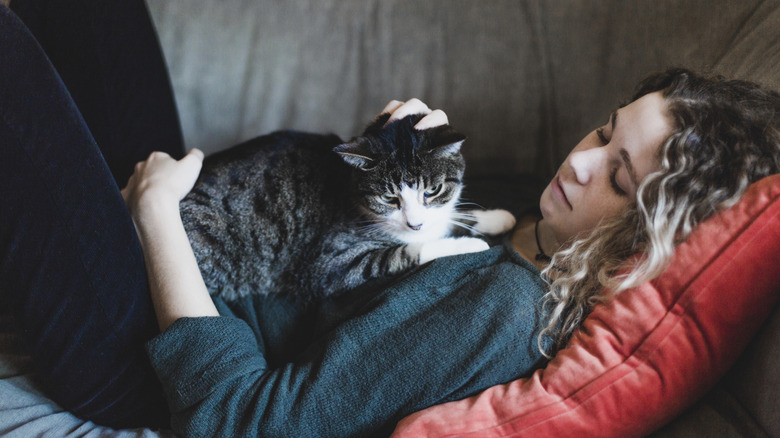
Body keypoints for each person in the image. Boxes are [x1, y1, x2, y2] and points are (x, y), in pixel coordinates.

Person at [1, 1, 779, 438]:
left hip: (147, 354)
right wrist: (384, 148)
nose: (579, 160)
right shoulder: (539, 224)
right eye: (605, 131)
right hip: (211, 256)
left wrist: (155, 214)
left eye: (616, 175)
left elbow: (248, 424)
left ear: (642, 247)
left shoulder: (503, 312)